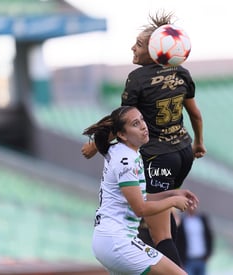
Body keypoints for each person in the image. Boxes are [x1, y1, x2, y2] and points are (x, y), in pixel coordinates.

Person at [82, 10, 206, 267]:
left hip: (158, 156)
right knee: (155, 221)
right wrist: (199, 142)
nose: (133, 48)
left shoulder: (137, 79)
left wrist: (95, 145)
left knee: (160, 232)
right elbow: (195, 114)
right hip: (183, 153)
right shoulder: (181, 72)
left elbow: (122, 119)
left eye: (139, 44)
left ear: (155, 50)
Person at [84, 105, 199, 275]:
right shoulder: (126, 160)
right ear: (122, 135)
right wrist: (173, 201)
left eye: (142, 120)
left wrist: (173, 193)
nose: (143, 126)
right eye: (135, 124)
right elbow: (140, 209)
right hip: (117, 241)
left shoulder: (124, 152)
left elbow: (141, 198)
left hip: (110, 241)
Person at [176, 207, 214, 275]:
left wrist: (209, 253)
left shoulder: (202, 219)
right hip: (188, 260)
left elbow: (209, 236)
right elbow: (178, 241)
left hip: (201, 259)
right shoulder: (182, 221)